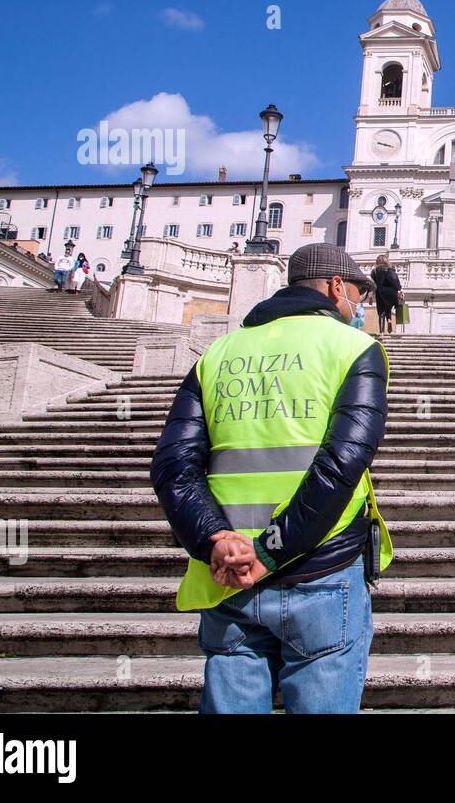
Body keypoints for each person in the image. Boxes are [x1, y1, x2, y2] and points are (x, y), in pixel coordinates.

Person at [150, 243, 391, 713]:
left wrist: (214, 539)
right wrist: (269, 552)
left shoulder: (218, 353)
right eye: (358, 295)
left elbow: (173, 464)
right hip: (320, 569)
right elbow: (341, 464)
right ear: (335, 287)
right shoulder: (354, 348)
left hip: (228, 573)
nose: (360, 306)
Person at [370, 253, 404, 335]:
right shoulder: (389, 269)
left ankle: (381, 332)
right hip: (391, 293)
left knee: (382, 312)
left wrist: (371, 296)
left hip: (380, 293)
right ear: (386, 261)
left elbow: (373, 284)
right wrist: (400, 290)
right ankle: (389, 320)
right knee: (389, 307)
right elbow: (394, 280)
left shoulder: (374, 272)